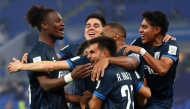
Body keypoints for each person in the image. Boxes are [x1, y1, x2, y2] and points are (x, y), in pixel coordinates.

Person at [8, 23, 150, 108]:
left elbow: (133, 63)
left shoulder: (126, 57)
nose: (96, 33)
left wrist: (87, 101)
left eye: (101, 32)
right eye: (88, 26)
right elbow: (51, 64)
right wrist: (28, 62)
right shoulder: (124, 70)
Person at [17, 4, 92, 109]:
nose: (63, 24)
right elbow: (46, 85)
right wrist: (71, 76)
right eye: (58, 21)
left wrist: (79, 99)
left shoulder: (51, 52)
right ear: (44, 25)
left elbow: (57, 92)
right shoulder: (38, 51)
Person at [122, 10, 179, 109]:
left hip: (160, 100)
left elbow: (162, 69)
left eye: (144, 27)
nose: (140, 30)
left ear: (157, 30)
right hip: (138, 95)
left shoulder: (170, 45)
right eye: (141, 26)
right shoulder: (138, 42)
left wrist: (141, 51)